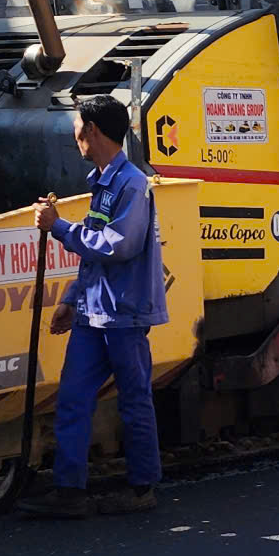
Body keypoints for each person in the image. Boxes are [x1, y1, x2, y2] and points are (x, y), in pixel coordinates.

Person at [21, 95, 167, 518]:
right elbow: (95, 250)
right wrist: (72, 299)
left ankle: (142, 489)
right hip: (93, 312)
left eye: (76, 127)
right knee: (73, 398)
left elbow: (117, 246)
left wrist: (58, 226)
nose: (73, 135)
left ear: (92, 130)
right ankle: (69, 491)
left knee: (134, 400)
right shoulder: (103, 181)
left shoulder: (132, 184)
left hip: (124, 313)